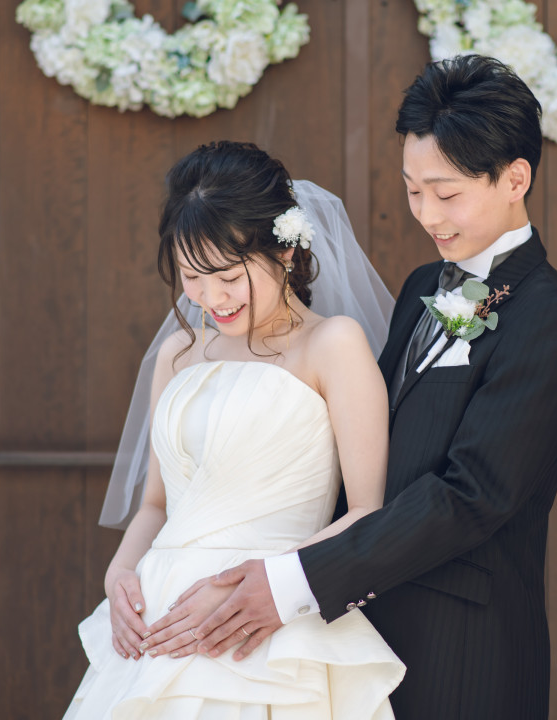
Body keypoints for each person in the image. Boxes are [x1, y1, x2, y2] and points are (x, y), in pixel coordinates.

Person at [163, 55, 557, 719]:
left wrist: (297, 580)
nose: (426, 213)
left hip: (461, 647)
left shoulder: (548, 319)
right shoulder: (426, 286)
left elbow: (470, 497)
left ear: (516, 178)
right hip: (358, 629)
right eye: (412, 189)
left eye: (446, 194)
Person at [64, 141, 405, 719]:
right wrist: (119, 572)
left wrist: (264, 585)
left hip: (262, 620)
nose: (210, 298)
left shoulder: (332, 344)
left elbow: (366, 511)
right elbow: (155, 503)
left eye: (228, 275)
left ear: (286, 252)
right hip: (158, 625)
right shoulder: (178, 352)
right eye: (192, 277)